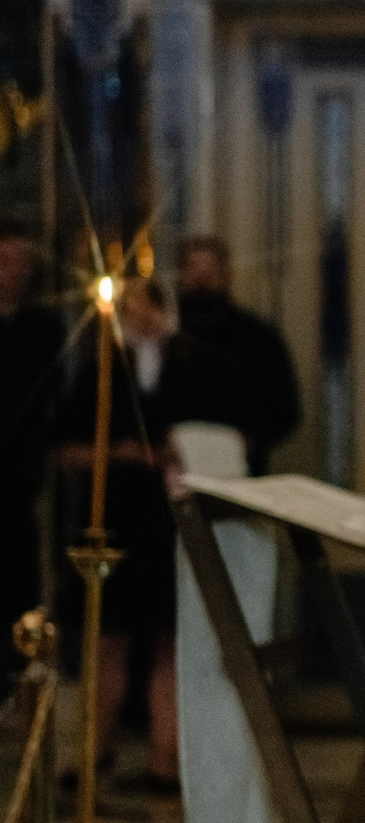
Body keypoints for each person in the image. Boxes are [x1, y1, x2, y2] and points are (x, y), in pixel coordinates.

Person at [56, 274, 215, 793]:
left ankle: (165, 758)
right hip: (115, 516)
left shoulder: (190, 368)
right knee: (108, 639)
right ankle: (93, 750)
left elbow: (217, 434)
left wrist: (177, 449)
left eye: (149, 307)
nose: (141, 317)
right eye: (130, 308)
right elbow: (65, 449)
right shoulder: (98, 372)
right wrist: (119, 453)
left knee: (171, 640)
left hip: (171, 521)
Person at [174, 234, 302, 475]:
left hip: (240, 470)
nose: (202, 279)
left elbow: (284, 407)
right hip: (172, 472)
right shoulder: (166, 337)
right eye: (193, 269)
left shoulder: (258, 338)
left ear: (226, 274)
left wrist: (250, 438)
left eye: (210, 270)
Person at [0, 220, 62, 625]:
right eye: (5, 260)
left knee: (19, 580)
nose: (14, 271)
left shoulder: (44, 326)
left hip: (20, 472)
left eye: (22, 261)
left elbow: (47, 393)